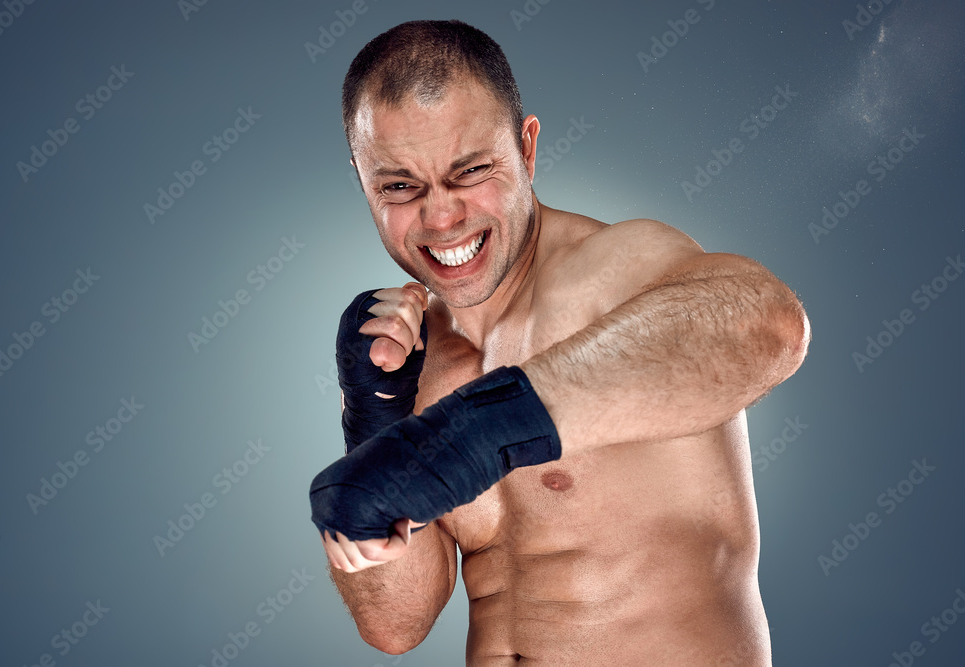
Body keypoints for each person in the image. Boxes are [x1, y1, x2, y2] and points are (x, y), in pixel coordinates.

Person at [310, 19, 810, 666]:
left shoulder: (620, 269)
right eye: (400, 186)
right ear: (363, 180)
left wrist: (479, 432)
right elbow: (396, 625)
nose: (440, 217)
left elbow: (769, 325)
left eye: (471, 170)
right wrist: (373, 418)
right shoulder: (413, 354)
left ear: (527, 149)